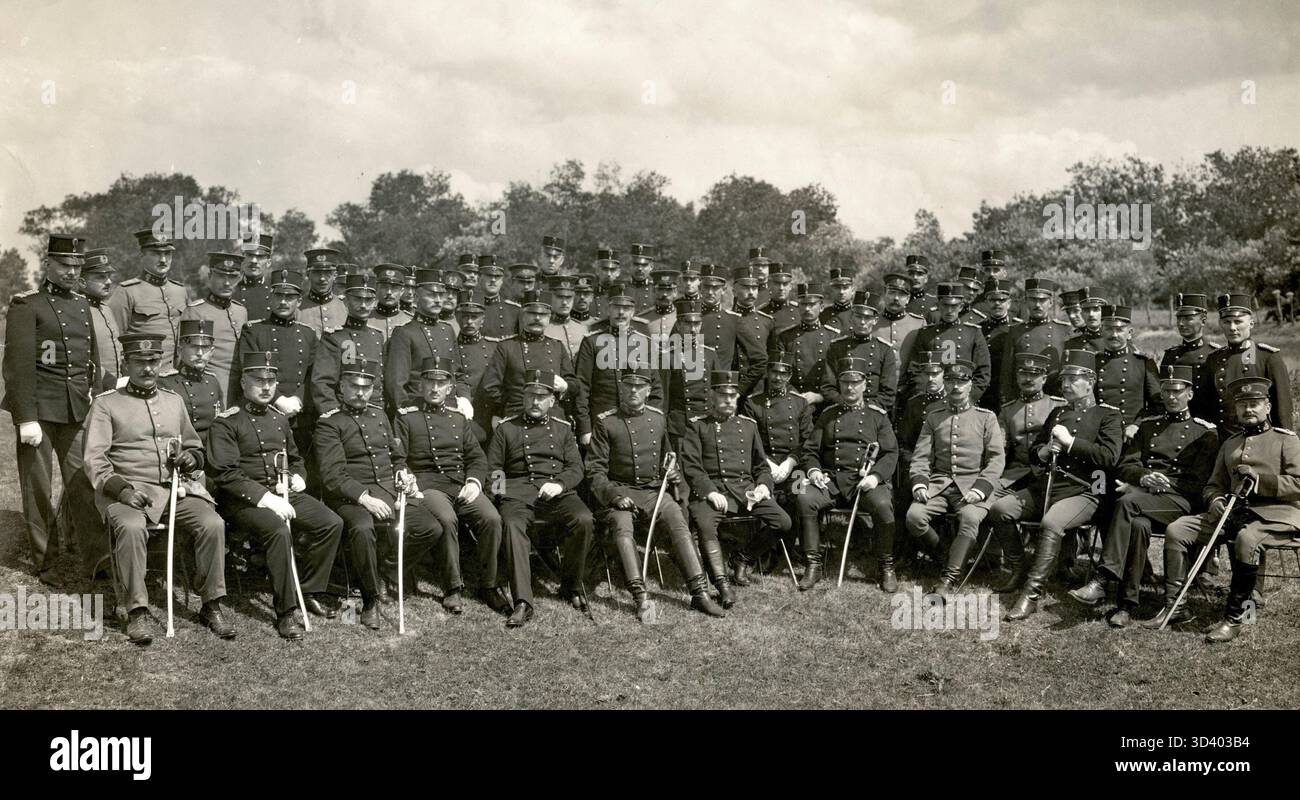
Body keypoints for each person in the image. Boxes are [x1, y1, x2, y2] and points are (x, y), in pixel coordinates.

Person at [82, 333, 231, 644]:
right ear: (126, 363)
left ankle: (212, 603)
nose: (148, 369)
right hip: (127, 492)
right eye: (140, 362)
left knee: (212, 523)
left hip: (174, 490)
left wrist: (190, 458)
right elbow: (94, 459)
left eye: (153, 362)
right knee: (133, 527)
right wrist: (122, 491)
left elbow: (195, 446)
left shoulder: (173, 402)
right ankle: (136, 610)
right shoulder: (107, 404)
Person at [1146, 376, 1300, 642]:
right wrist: (1215, 501)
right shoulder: (1230, 443)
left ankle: (1234, 617)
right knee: (1177, 529)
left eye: (1254, 403)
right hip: (1230, 512)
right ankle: (1174, 606)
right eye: (1243, 405)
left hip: (1275, 514)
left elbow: (1298, 483)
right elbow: (1213, 484)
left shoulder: (1286, 440)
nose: (1248, 410)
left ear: (1267, 407)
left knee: (1247, 539)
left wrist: (1260, 482)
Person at [1068, 365, 1219, 627]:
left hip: (1180, 502)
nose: (1171, 397)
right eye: (1166, 391)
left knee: (1127, 503)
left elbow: (1199, 483)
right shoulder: (1148, 427)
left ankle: (1103, 579)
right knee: (1137, 525)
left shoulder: (1204, 432)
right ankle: (1126, 605)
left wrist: (1161, 484)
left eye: (1177, 391)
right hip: (1144, 502)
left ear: (1190, 395)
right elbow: (1126, 464)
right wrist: (1142, 478)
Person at [206, 352, 344, 639]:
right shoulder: (226, 422)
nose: (266, 387)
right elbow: (226, 473)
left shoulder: (279, 419)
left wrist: (298, 478)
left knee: (331, 523)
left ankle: (308, 589)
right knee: (279, 531)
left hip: (283, 493)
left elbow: (295, 458)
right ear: (243, 382)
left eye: (271, 381)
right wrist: (266, 499)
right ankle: (286, 613)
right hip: (244, 501)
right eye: (259, 380)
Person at [990, 350, 1122, 621]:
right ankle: (1019, 568)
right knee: (1000, 508)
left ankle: (1031, 593)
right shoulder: (1058, 412)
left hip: (1086, 490)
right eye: (1063, 379)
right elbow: (1036, 448)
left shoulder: (1107, 416)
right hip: (1048, 486)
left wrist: (1071, 444)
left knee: (1051, 523)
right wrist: (1042, 451)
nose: (1065, 385)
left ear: (1091, 381)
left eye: (1073, 379)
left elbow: (1108, 457)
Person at [586, 368, 727, 621]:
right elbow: (595, 472)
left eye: (639, 387)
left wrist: (671, 470)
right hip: (620, 492)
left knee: (677, 520)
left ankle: (699, 593)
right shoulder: (606, 422)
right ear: (621, 388)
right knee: (622, 526)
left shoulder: (658, 419)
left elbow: (668, 455)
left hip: (653, 491)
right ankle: (640, 597)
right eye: (628, 385)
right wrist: (614, 496)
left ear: (648, 391)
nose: (633, 391)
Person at [3, 233, 98, 576]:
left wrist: (90, 395)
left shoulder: (83, 305)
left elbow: (90, 361)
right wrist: (25, 417)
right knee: (39, 489)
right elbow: (18, 367)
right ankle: (48, 561)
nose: (72, 271)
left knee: (84, 482)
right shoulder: (27, 305)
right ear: (48, 265)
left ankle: (97, 558)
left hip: (75, 409)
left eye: (77, 265)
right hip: (40, 413)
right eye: (64, 265)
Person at [313, 359, 428, 630]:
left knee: (429, 527)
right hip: (349, 496)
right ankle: (370, 599)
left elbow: (397, 456)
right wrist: (363, 497)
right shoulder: (329, 423)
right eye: (354, 386)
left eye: (366, 387)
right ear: (341, 387)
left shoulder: (379, 415)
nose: (360, 393)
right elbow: (332, 475)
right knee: (363, 528)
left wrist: (403, 473)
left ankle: (385, 569)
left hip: (387, 489)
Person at [487, 369, 595, 627]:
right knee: (512, 525)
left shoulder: (563, 430)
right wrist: (501, 497)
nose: (535, 402)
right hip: (517, 494)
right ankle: (523, 601)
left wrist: (559, 484)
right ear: (523, 398)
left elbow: (576, 468)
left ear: (552, 401)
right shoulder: (506, 429)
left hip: (557, 493)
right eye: (530, 396)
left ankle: (570, 585)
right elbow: (494, 470)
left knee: (584, 519)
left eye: (542, 396)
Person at [394, 356, 502, 615]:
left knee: (492, 518)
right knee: (446, 518)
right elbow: (397, 458)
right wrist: (407, 479)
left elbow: (476, 456)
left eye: (440, 383)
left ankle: (489, 584)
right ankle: (453, 587)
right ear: (421, 385)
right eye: (429, 382)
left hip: (459, 483)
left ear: (450, 387)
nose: (434, 388)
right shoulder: (406, 417)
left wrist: (474, 481)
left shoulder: (458, 418)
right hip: (427, 486)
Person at [681, 371, 792, 605]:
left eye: (733, 396)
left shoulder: (748, 426)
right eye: (723, 395)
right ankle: (722, 585)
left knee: (783, 521)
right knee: (704, 525)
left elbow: (761, 466)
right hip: (712, 491)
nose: (728, 400)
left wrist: (763, 485)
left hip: (745, 491)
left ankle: (743, 558)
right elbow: (691, 466)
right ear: (712, 396)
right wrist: (709, 491)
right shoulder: (698, 427)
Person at [795, 357, 899, 591]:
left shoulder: (878, 415)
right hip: (832, 480)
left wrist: (875, 477)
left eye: (855, 382)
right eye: (845, 383)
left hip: (865, 481)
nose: (850, 388)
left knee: (883, 506)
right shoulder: (828, 415)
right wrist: (813, 472)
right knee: (805, 498)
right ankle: (813, 565)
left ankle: (886, 566)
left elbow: (891, 453)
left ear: (864, 385)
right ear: (840, 385)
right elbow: (810, 450)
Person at [906, 360, 1006, 594]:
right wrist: (920, 482)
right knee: (914, 516)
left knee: (970, 517)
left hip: (974, 485)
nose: (956, 387)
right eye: (951, 381)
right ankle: (947, 558)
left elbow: (996, 459)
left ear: (970, 385)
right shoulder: (934, 416)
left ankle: (948, 579)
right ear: (944, 382)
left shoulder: (986, 417)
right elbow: (921, 456)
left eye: (962, 381)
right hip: (940, 485)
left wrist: (981, 488)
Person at [991, 352, 1067, 589]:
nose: (1028, 379)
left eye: (1034, 375)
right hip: (1014, 475)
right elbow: (1000, 447)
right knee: (987, 503)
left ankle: (1064, 564)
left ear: (1044, 378)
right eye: (1023, 373)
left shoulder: (1059, 406)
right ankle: (1015, 565)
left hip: (1048, 475)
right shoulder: (1007, 410)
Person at [741, 352, 812, 583]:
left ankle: (788, 550)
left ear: (789, 375)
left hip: (795, 464)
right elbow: (748, 440)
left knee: (800, 494)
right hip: (764, 463)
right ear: (767, 373)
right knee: (767, 499)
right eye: (774, 372)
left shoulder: (800, 403)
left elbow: (807, 441)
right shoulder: (753, 402)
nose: (778, 377)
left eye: (783, 373)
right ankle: (766, 550)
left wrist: (790, 462)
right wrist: (769, 464)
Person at [232, 267, 316, 456]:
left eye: (290, 297)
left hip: (299, 417)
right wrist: (279, 399)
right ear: (270, 298)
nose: (283, 302)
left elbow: (313, 374)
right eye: (278, 296)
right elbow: (249, 370)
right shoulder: (253, 331)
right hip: (262, 413)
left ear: (299, 301)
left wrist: (298, 399)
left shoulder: (308, 334)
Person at [1196, 292, 1292, 435]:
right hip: (1223, 441)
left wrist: (1283, 446)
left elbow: (1282, 410)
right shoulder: (1214, 359)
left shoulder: (1267, 357)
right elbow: (1206, 407)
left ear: (1251, 323)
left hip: (1260, 441)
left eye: (1238, 321)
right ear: (1220, 323)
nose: (1232, 327)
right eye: (1227, 322)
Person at [574, 285, 658, 444]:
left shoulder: (645, 343)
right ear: (608, 309)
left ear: (633, 312)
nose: (621, 313)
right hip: (600, 422)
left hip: (638, 422)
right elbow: (582, 387)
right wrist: (584, 428)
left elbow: (656, 389)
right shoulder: (591, 342)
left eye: (626, 308)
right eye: (616, 307)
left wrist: (651, 423)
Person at [483, 289, 577, 425]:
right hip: (516, 416)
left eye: (542, 314)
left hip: (553, 418)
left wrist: (565, 386)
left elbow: (574, 384)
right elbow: (490, 387)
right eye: (532, 313)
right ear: (522, 315)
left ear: (549, 317)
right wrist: (502, 409)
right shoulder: (507, 347)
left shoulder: (557, 346)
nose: (537, 318)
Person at [385, 267, 467, 414]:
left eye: (441, 295)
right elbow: (396, 385)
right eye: (431, 295)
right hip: (417, 410)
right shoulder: (404, 333)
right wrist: (406, 415)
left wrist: (465, 399)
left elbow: (458, 374)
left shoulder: (447, 330)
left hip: (449, 410)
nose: (438, 300)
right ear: (416, 297)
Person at [108, 228, 188, 373]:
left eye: (167, 253)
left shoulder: (180, 291)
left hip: (177, 376)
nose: (163, 260)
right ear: (142, 256)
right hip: (144, 374)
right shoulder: (126, 291)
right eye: (156, 254)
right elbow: (114, 340)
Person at [311, 273, 388, 416]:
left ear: (375, 302)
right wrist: (335, 416)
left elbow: (379, 384)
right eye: (358, 299)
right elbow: (322, 384)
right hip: (343, 414)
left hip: (374, 414)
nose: (364, 305)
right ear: (346, 301)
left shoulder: (377, 337)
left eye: (368, 300)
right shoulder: (334, 338)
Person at [904, 283, 991, 404]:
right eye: (945, 305)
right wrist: (925, 397)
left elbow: (983, 373)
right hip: (931, 400)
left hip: (963, 400)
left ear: (961, 306)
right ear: (938, 305)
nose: (949, 310)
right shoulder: (925, 334)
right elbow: (915, 370)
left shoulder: (973, 333)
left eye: (954, 306)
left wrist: (968, 399)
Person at [178, 252, 247, 400]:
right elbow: (186, 359)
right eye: (221, 276)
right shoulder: (195, 312)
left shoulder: (241, 311)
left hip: (240, 391)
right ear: (210, 276)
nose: (227, 283)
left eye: (232, 277)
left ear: (239, 278)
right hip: (209, 391)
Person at [820, 291, 898, 412]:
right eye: (859, 316)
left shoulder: (884, 350)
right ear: (852, 317)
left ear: (875, 320)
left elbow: (888, 393)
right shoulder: (837, 347)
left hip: (873, 412)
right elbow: (828, 388)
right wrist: (847, 404)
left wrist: (865, 409)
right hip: (842, 409)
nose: (862, 322)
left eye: (867, 318)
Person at [1094, 304, 1161, 438]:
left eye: (1119, 329)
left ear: (1129, 333)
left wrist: (1137, 425)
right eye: (1108, 329)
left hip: (1130, 435)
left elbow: (1157, 404)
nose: (1114, 335)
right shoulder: (1092, 361)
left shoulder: (1143, 363)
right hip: (1097, 434)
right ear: (1101, 331)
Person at [999, 278, 1072, 399]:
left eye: (1042, 300)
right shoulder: (1016, 331)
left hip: (1055, 397)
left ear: (1050, 302)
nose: (1037, 305)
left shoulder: (1064, 330)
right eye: (1033, 299)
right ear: (1026, 301)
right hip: (1023, 398)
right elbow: (1007, 373)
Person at [157, 319, 226, 447]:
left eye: (204, 347)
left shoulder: (213, 381)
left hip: (210, 451)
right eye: (194, 347)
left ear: (211, 351)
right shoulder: (165, 383)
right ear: (180, 350)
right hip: (180, 450)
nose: (200, 353)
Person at [777, 283, 840, 408]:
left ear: (821, 307)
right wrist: (796, 396)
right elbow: (780, 373)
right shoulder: (786, 337)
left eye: (811, 304)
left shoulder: (833, 337)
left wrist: (820, 397)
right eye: (803, 304)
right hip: (793, 402)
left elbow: (838, 374)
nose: (807, 309)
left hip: (826, 403)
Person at [1159, 292, 1218, 396]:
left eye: (1187, 318)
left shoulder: (1214, 354)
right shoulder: (1171, 355)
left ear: (1203, 321)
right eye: (1179, 318)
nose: (1181, 323)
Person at [80, 248, 123, 391]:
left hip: (115, 389)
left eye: (108, 276)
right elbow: (81, 359)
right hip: (92, 390)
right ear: (82, 282)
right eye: (100, 277)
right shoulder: (78, 311)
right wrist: (112, 382)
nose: (109, 282)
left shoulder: (106, 309)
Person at [731, 265, 774, 398]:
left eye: (754, 288)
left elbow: (771, 360)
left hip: (758, 391)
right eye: (745, 287)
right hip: (731, 389)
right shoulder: (728, 319)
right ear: (734, 291)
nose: (751, 292)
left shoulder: (767, 321)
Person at [978, 278, 1020, 411]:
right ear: (986, 303)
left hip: (1010, 392)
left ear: (1009, 303)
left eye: (1002, 300)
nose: (997, 304)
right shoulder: (978, 330)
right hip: (985, 392)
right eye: (992, 300)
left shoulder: (1018, 328)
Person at [300, 248, 348, 338]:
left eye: (327, 273)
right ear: (308, 274)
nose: (322, 279)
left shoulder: (345, 307)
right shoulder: (298, 308)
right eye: (317, 273)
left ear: (335, 275)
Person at [475, 255, 521, 339]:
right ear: (479, 278)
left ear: (502, 280)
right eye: (489, 275)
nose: (493, 280)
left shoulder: (515, 311)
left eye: (497, 276)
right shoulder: (471, 308)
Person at [232, 233, 274, 322]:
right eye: (249, 255)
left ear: (268, 262)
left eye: (260, 257)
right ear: (242, 258)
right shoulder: (230, 291)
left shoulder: (275, 294)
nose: (253, 261)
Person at [369, 263, 413, 340]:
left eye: (394, 288)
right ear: (376, 288)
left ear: (402, 291)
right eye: (384, 287)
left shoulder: (409, 321)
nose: (389, 292)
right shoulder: (366, 318)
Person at [759, 262, 799, 333]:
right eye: (777, 284)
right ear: (769, 285)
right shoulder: (761, 314)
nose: (781, 288)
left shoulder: (799, 311)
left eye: (785, 284)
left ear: (790, 286)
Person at [1064, 287, 1107, 352]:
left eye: (1096, 309)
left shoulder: (1116, 341)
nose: (1091, 314)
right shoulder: (1071, 344)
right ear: (1082, 313)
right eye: (1086, 310)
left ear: (1104, 312)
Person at [626, 243, 656, 312]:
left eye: (644, 265)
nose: (640, 268)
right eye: (636, 264)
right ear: (630, 265)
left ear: (651, 266)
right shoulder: (622, 289)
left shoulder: (655, 290)